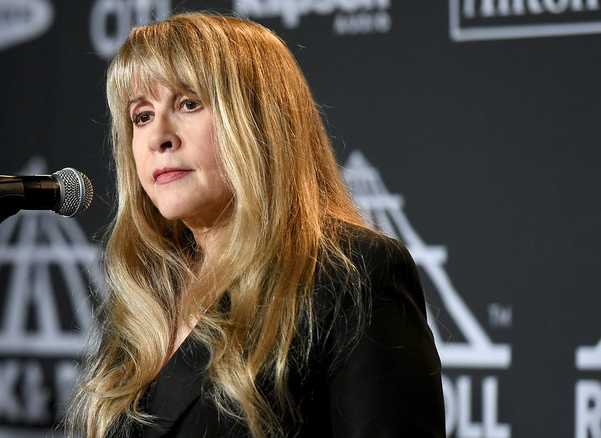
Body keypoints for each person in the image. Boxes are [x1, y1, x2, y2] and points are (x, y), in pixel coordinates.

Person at [63, 11, 445, 438]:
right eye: (142, 116)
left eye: (189, 103)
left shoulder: (352, 273)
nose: (159, 137)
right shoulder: (145, 294)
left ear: (260, 120)